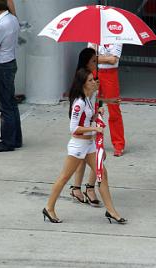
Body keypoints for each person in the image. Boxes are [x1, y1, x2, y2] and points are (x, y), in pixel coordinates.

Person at [43, 68, 127, 224]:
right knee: (64, 178)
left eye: (93, 79)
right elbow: (73, 129)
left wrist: (97, 114)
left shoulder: (89, 98)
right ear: (83, 84)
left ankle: (111, 210)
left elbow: (87, 119)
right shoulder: (79, 103)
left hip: (89, 145)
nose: (94, 82)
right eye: (90, 80)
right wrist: (94, 128)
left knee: (102, 173)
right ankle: (49, 208)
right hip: (78, 146)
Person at [0, 0, 21, 152]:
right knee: (11, 103)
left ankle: (7, 141)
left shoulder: (1, 25)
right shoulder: (13, 19)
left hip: (2, 65)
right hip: (10, 61)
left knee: (5, 105)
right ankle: (15, 139)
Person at [70, 48, 101, 206]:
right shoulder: (84, 77)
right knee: (94, 158)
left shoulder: (92, 77)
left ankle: (78, 188)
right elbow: (82, 101)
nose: (96, 63)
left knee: (84, 158)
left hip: (90, 120)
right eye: (93, 61)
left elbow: (93, 100)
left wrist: (104, 103)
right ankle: (88, 187)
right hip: (84, 124)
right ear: (86, 62)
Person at [88, 43, 125, 157]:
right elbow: (89, 58)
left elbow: (113, 60)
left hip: (110, 74)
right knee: (92, 108)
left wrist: (96, 58)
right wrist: (101, 58)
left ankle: (118, 144)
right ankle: (93, 142)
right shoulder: (94, 34)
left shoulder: (117, 35)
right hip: (95, 72)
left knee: (114, 109)